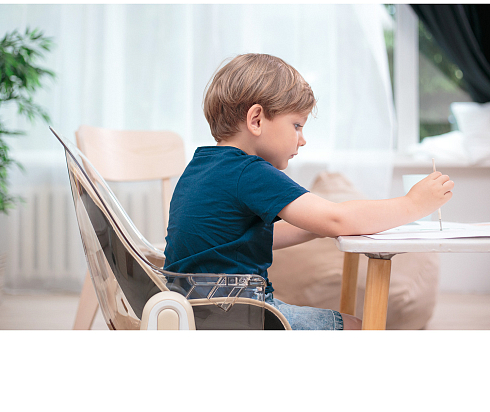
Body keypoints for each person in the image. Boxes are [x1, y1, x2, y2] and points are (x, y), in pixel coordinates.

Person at [163, 53, 454, 330]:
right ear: (256, 120)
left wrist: (313, 228)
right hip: (236, 314)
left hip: (195, 310)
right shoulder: (249, 171)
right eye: (296, 125)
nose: (302, 140)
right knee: (357, 328)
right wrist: (414, 203)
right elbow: (337, 218)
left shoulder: (201, 167)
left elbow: (241, 240)